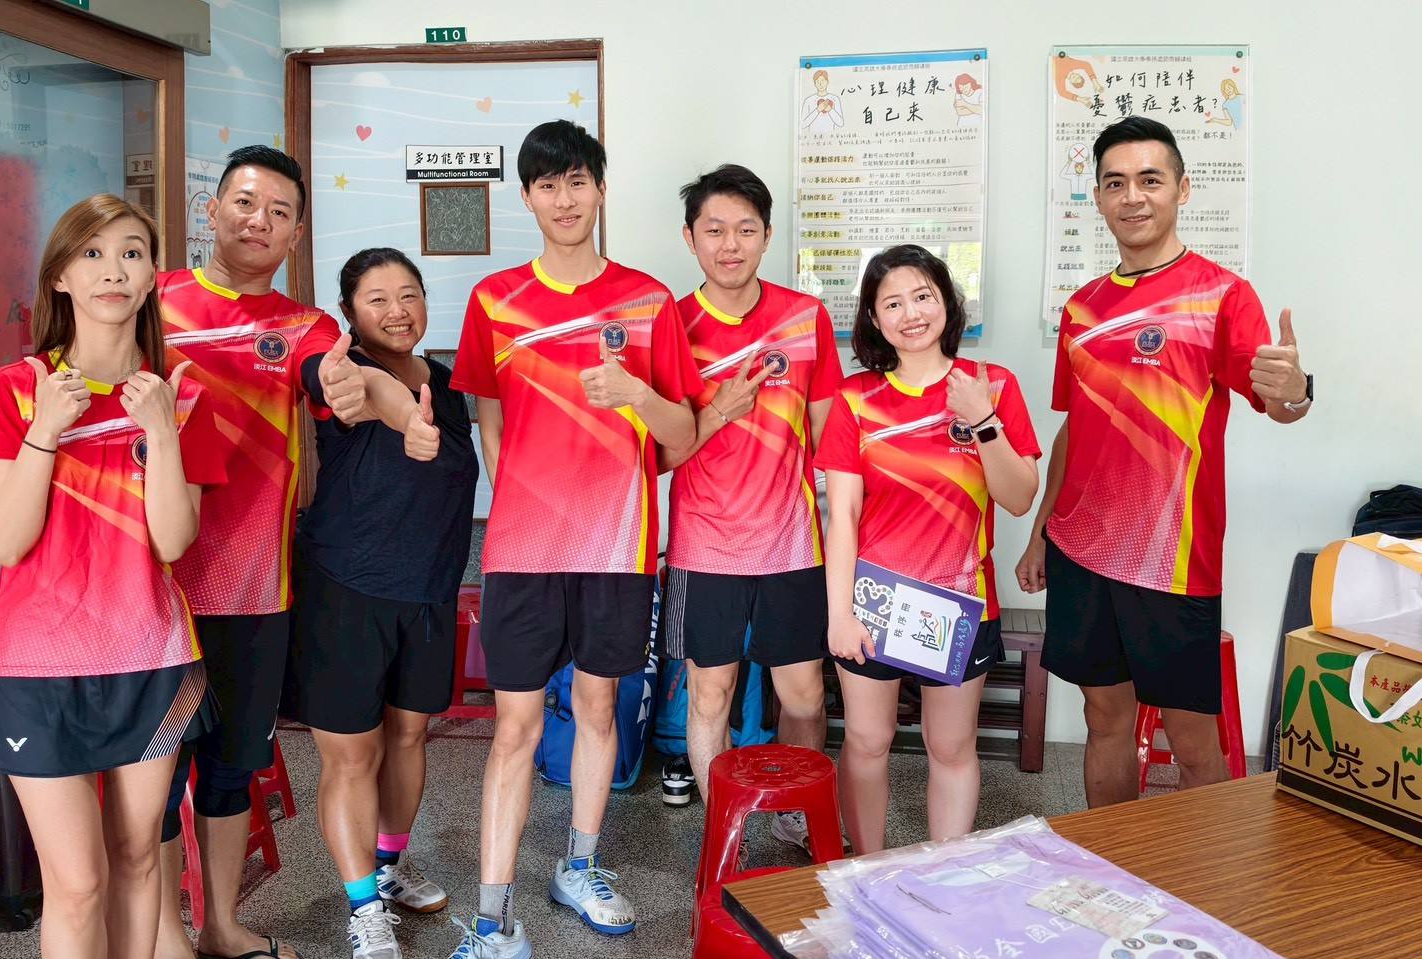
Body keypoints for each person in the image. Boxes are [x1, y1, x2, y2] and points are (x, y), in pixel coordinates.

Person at [445, 119, 702, 959]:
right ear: (527, 196)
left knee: (598, 709)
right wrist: (520, 494)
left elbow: (682, 436)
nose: (564, 199)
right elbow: (487, 413)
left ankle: (579, 865)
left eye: (577, 181)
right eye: (548, 185)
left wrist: (635, 393)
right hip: (523, 548)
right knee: (514, 727)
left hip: (617, 547)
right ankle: (492, 916)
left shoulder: (648, 301)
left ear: (600, 188)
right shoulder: (495, 300)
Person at [153, 144, 408, 959]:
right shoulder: (155, 303)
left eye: (279, 211)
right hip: (151, 586)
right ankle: (162, 934)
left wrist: (362, 391)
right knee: (155, 776)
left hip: (254, 589)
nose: (258, 220)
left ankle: (221, 925)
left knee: (231, 770)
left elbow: (337, 378)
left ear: (296, 233)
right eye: (244, 202)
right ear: (212, 209)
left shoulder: (306, 329)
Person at [0, 193, 228, 959]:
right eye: (92, 253)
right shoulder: (16, 389)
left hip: (152, 658)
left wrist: (161, 432)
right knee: (77, 882)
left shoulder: (183, 394)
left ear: (152, 278)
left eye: (132, 253)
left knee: (140, 857)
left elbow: (173, 540)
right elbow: (5, 541)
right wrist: (46, 428)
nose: (113, 269)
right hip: (37, 666)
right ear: (60, 277)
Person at [1015, 116, 1311, 808]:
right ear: (1097, 197)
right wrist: (1038, 531)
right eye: (1115, 182)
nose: (1133, 196)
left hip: (1170, 556)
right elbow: (1073, 429)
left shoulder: (1221, 295)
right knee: (1104, 718)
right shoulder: (1083, 309)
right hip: (1081, 547)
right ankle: (1111, 861)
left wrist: (1296, 390)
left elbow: (1278, 403)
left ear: (1182, 188)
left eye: (1149, 180)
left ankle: (1197, 873)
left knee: (1191, 739)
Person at [282, 248, 479, 958]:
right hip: (346, 593)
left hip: (427, 594)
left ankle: (389, 867)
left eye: (409, 294)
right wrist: (404, 423)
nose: (397, 311)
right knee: (352, 756)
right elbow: (365, 391)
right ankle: (363, 906)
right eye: (377, 299)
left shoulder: (448, 385)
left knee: (408, 738)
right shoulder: (347, 378)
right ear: (349, 314)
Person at [815, 244, 1041, 854]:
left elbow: (1019, 498)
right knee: (867, 742)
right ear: (873, 318)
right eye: (892, 303)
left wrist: (983, 419)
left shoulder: (992, 385)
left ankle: (943, 873)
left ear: (947, 302)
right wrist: (839, 615)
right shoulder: (856, 399)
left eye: (923, 296)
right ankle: (867, 868)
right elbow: (844, 517)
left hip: (959, 605)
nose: (910, 313)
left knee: (952, 747)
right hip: (874, 602)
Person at [657, 164, 843, 855]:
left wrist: (849, 533)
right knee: (709, 697)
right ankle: (725, 827)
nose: (729, 244)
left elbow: (828, 435)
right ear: (690, 237)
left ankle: (796, 811)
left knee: (804, 697)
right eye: (714, 230)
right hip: (705, 546)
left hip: (793, 544)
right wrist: (718, 412)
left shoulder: (805, 318)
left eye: (744, 229)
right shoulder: (672, 326)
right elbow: (658, 454)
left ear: (767, 236)